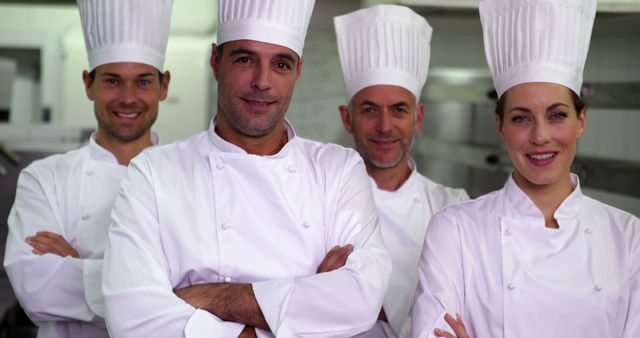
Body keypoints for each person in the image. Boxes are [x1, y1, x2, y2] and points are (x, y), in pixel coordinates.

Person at [101, 0, 392, 337]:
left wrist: (208, 297)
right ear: (215, 61)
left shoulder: (338, 169)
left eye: (281, 64)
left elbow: (360, 301)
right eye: (244, 59)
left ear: (298, 70)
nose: (262, 81)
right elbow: (131, 317)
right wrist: (306, 297)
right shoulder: (154, 173)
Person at [410, 0, 640, 337]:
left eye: (557, 115)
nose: (540, 136)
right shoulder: (456, 230)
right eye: (521, 118)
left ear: (581, 121)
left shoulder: (630, 238)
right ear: (500, 126)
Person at [3, 0, 172, 337]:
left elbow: (205, 292)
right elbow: (35, 288)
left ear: (163, 86)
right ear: (88, 84)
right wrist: (158, 287)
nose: (127, 97)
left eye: (142, 82)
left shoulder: (187, 176)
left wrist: (76, 268)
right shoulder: (45, 178)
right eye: (112, 81)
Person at [334, 5, 468, 338]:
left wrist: (352, 292)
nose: (384, 126)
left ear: (418, 118)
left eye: (398, 110)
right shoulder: (320, 199)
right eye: (369, 110)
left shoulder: (453, 208)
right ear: (347, 118)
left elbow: (461, 312)